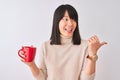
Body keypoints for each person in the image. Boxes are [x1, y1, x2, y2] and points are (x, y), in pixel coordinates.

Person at [19, 4, 107, 80]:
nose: (70, 24)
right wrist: (31, 65)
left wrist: (92, 55)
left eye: (73, 19)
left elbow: (86, 79)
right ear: (57, 22)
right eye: (66, 19)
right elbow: (42, 78)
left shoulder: (85, 45)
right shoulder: (46, 46)